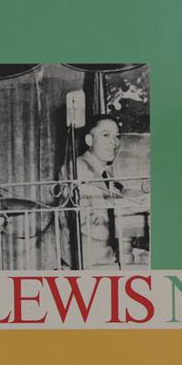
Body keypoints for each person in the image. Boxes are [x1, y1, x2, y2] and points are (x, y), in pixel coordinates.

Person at [59, 115, 124, 268]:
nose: (114, 142)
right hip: (87, 258)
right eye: (106, 135)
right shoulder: (75, 169)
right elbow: (84, 220)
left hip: (109, 256)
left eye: (117, 136)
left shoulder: (107, 175)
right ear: (89, 140)